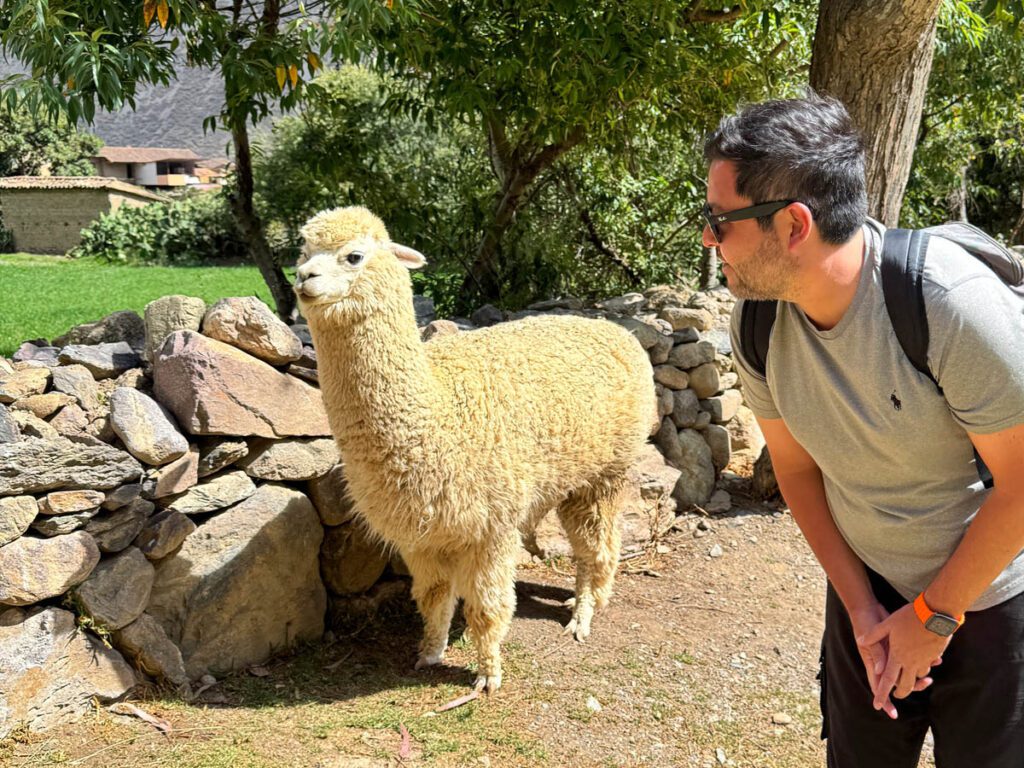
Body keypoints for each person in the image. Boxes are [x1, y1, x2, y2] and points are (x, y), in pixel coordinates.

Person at [703, 94, 1024, 767]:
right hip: (869, 594)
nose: (708, 238)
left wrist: (933, 617)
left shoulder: (947, 305)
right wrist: (861, 610)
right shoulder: (760, 324)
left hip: (993, 602)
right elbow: (795, 470)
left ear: (793, 225)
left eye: (719, 220)